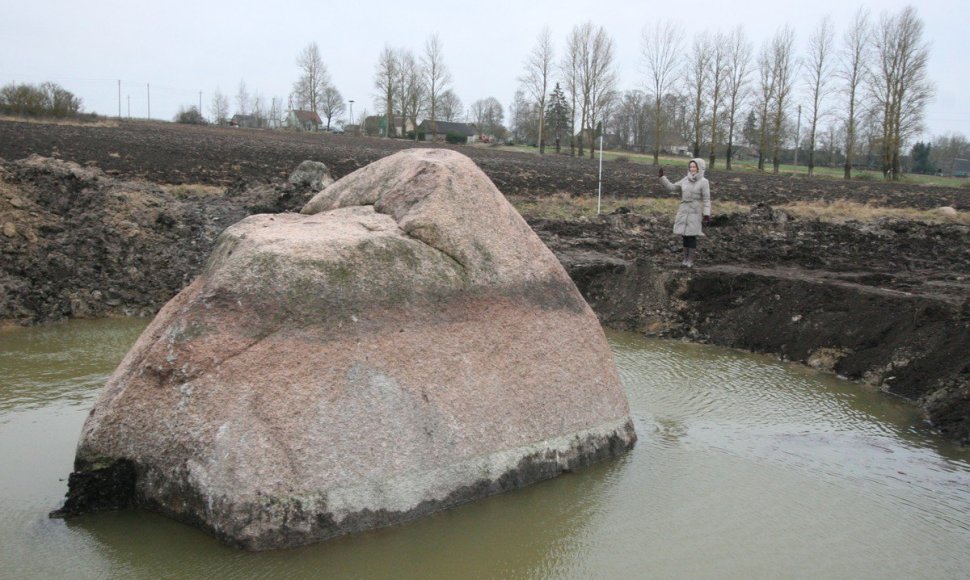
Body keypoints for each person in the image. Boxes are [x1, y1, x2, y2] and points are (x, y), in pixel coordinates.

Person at [658, 158, 711, 268]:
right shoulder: (685, 180)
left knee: (691, 236)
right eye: (690, 166)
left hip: (695, 211)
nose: (692, 169)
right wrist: (662, 178)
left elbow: (706, 199)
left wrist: (706, 214)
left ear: (699, 168)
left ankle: (690, 260)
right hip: (683, 210)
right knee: (684, 236)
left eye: (694, 167)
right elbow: (672, 188)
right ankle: (685, 259)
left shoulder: (704, 182)